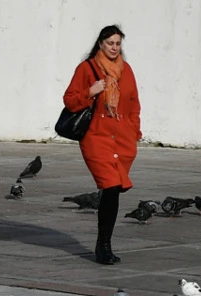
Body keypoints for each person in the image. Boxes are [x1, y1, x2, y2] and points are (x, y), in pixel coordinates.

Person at [62, 25, 140, 266]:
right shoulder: (86, 69)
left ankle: (105, 243)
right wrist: (91, 91)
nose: (114, 48)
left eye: (118, 44)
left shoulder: (126, 70)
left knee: (113, 190)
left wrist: (134, 129)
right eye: (110, 43)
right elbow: (70, 99)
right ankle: (103, 247)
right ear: (100, 44)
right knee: (110, 183)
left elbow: (134, 102)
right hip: (97, 137)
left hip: (122, 138)